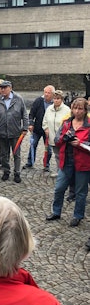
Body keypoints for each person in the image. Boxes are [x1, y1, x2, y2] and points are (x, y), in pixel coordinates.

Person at [46, 97, 90, 228]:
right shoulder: (66, 123)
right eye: (75, 108)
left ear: (85, 110)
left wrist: (80, 144)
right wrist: (64, 138)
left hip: (83, 163)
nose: (77, 111)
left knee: (80, 191)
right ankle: (56, 211)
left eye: (80, 109)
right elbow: (56, 140)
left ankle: (78, 215)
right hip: (66, 161)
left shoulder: (88, 125)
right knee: (59, 188)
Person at [0, 80, 28, 183]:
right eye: (1, 88)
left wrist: (25, 128)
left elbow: (24, 114)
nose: (3, 90)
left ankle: (17, 173)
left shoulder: (18, 99)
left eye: (5, 88)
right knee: (4, 154)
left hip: (15, 131)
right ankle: (6, 171)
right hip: (2, 132)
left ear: (10, 88)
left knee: (16, 154)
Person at [23, 85, 55, 171]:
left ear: (53, 94)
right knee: (33, 145)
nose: (46, 94)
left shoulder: (54, 103)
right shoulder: (39, 101)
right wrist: (31, 124)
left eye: (49, 93)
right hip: (37, 128)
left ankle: (46, 164)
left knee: (48, 148)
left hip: (48, 129)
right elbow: (31, 113)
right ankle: (30, 162)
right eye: (45, 92)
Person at [42, 89, 71, 177]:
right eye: (54, 98)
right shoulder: (49, 109)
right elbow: (45, 121)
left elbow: (69, 123)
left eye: (58, 99)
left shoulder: (67, 110)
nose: (56, 100)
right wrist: (46, 128)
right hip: (52, 137)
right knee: (57, 155)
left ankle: (65, 172)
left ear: (62, 99)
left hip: (62, 138)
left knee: (64, 155)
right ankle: (59, 171)